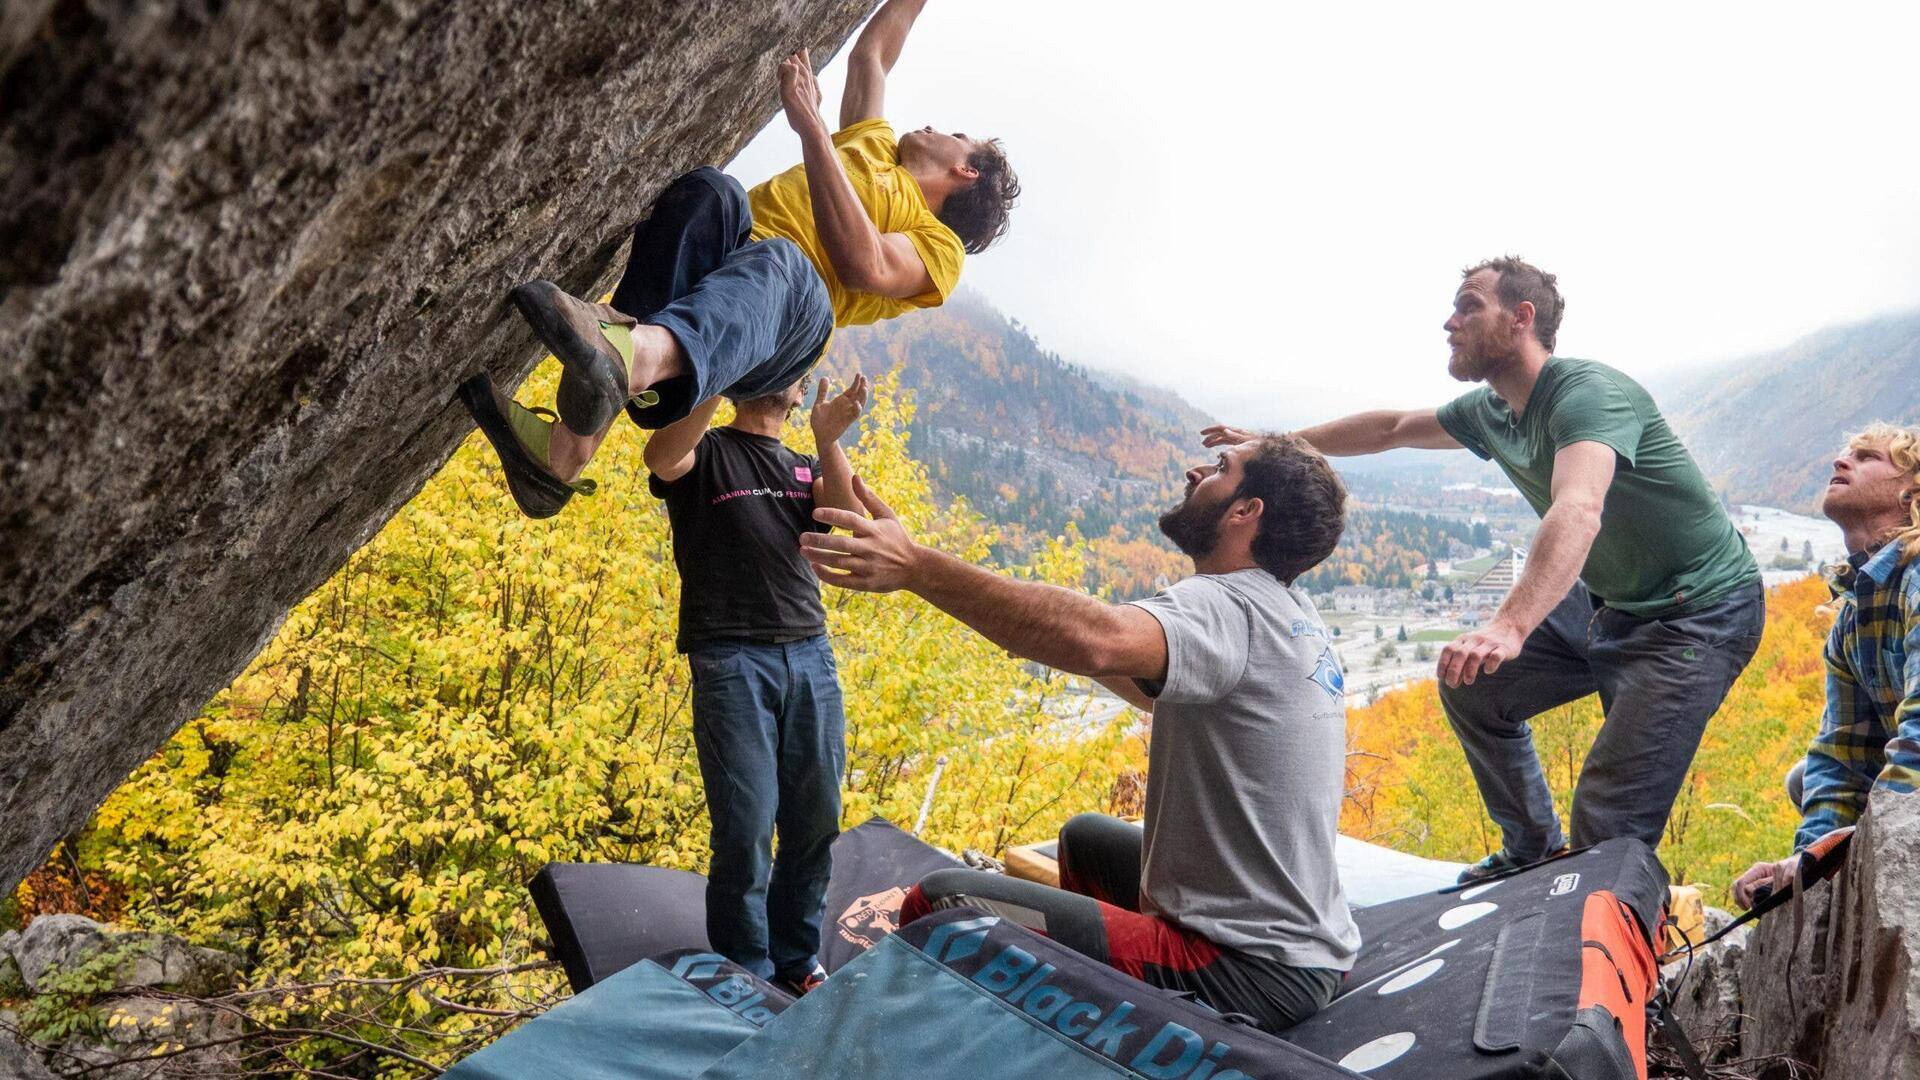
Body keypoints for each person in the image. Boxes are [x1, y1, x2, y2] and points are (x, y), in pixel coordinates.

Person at [1206, 257, 1764, 883]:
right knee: (1474, 683)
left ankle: (1601, 957)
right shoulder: (1492, 411)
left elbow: (1579, 507)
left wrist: (1510, 625)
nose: (1451, 321)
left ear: (1521, 318)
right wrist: (1271, 445)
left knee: (1609, 822)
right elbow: (1391, 428)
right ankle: (1531, 850)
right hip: (1616, 602)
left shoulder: (1588, 395)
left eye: (1470, 305)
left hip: (1699, 616)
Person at [799, 435, 1360, 1031]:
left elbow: (1099, 640)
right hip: (1303, 947)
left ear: (1247, 511)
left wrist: (917, 567)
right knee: (1084, 840)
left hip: (1243, 967)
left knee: (940, 903)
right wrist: (1002, 619)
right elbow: (1133, 675)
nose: (1197, 471)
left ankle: (882, 1046)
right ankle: (1072, 1018)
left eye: (1222, 469)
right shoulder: (1288, 612)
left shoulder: (1228, 603)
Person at [461, 0, 1019, 518]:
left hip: (779, 334)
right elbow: (873, 54)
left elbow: (865, 264)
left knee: (789, 264)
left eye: (955, 135)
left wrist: (813, 132)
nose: (933, 127)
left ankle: (634, 356)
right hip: (718, 291)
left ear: (966, 171)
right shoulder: (873, 144)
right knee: (711, 193)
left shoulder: (938, 246)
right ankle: (568, 449)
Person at [642, 370, 870, 994]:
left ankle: (797, 959)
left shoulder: (805, 465)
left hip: (810, 654)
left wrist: (830, 440)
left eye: (796, 371)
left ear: (801, 394)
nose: (792, 377)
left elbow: (855, 525)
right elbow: (661, 456)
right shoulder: (709, 449)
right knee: (745, 825)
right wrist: (727, 366)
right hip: (729, 657)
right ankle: (747, 969)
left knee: (816, 816)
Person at [1734, 424, 1920, 909]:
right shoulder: (1854, 614)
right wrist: (1805, 871)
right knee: (1806, 779)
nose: (1841, 463)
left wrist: (1854, 846)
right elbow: (1841, 756)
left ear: (1910, 494)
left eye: (1866, 457)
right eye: (1843, 455)